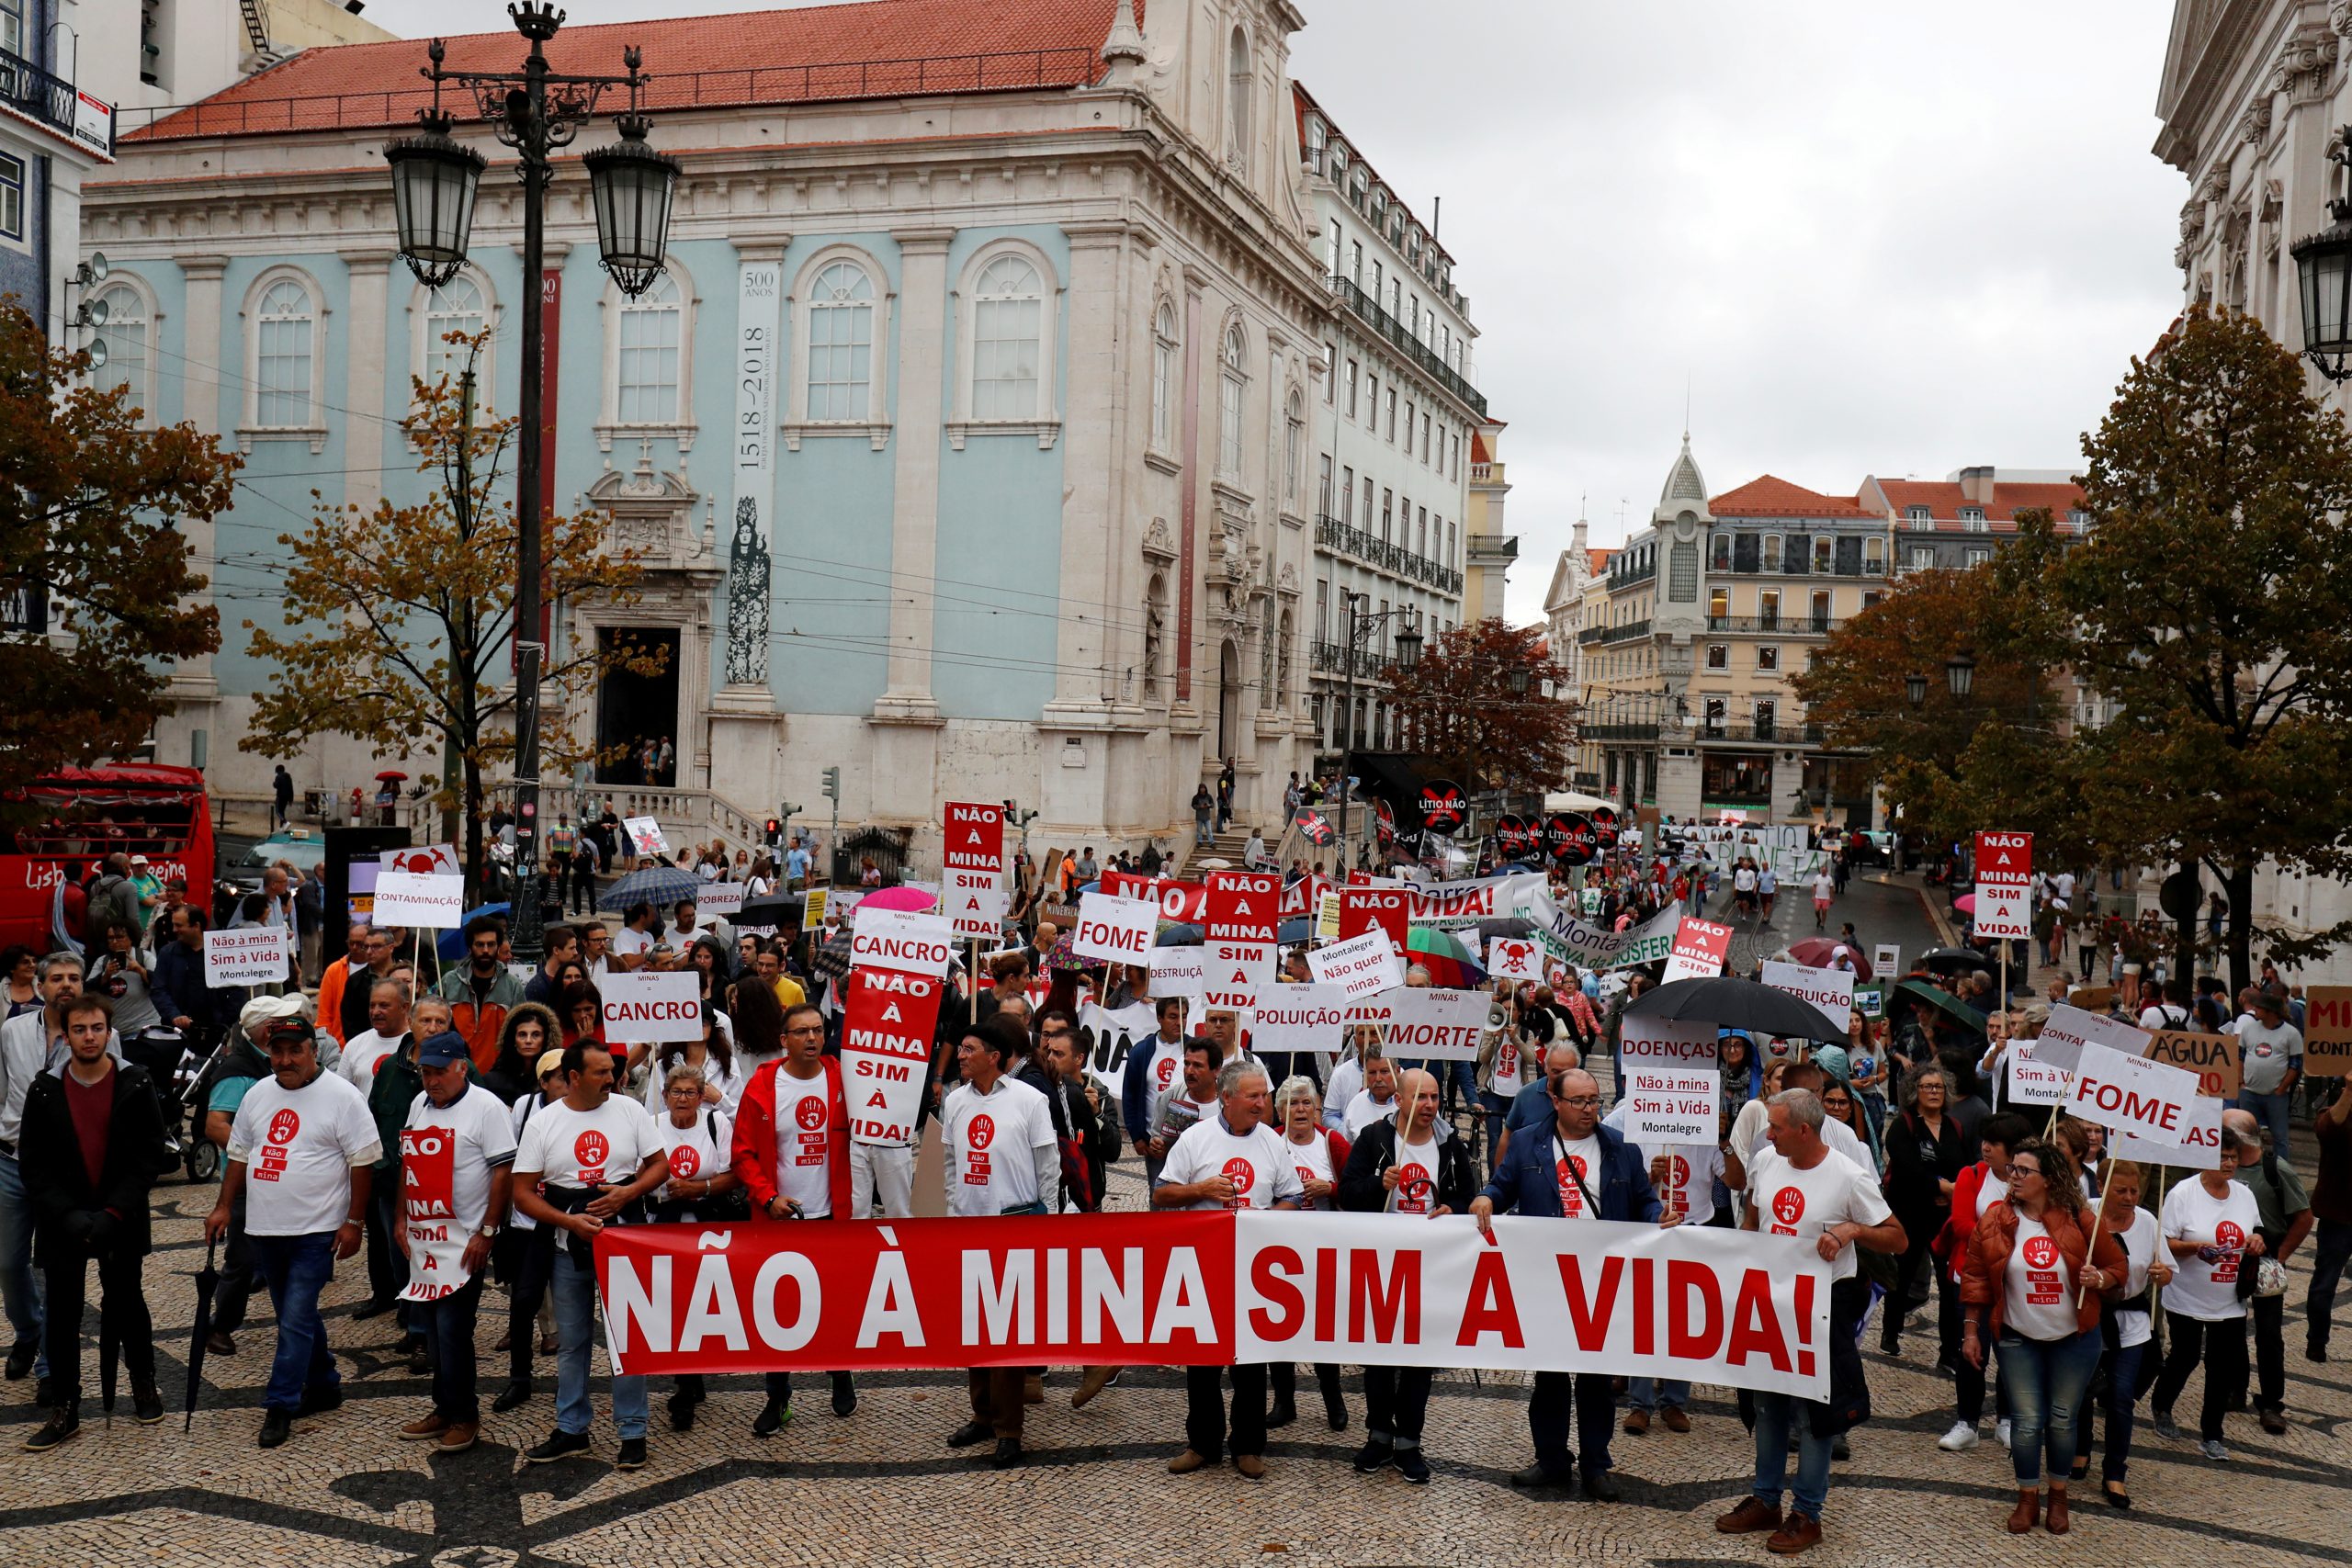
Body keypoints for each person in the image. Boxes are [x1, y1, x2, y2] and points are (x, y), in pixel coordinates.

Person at [1713, 1089, 1905, 1555]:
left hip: (1822, 1306)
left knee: (1813, 1412)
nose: (1768, 1134)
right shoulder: (1767, 1162)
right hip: (1769, 1301)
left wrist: (1853, 1230)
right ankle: (1765, 1500)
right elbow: (1755, 1218)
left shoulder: (1848, 1176)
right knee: (1766, 1405)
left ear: (1803, 1130)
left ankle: (1807, 1512)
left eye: (1775, 1127)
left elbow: (1897, 1238)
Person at [1471, 1066, 1663, 1500]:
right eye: (1579, 1101)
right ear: (1555, 1101)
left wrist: (1659, 1218)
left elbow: (1644, 1203)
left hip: (1600, 1281)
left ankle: (1597, 1464)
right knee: (1550, 1376)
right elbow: (1502, 1187)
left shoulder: (1621, 1150)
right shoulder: (1526, 1143)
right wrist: (1486, 1196)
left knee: (1596, 1380)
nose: (1589, 1109)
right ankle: (1552, 1457)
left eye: (1594, 1100)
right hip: (1547, 1279)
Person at [203, 1015, 379, 1448]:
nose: (284, 1059)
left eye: (294, 1051)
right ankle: (324, 1384)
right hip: (266, 1228)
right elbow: (240, 1153)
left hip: (316, 1230)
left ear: (312, 1052)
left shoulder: (343, 1097)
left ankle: (280, 1404)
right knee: (294, 1317)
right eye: (277, 1050)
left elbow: (363, 1160)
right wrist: (224, 1206)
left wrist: (354, 1222)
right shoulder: (258, 1094)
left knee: (296, 1317)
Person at [511, 1040, 668, 1470]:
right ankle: (572, 1427)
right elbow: (522, 1192)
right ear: (574, 1078)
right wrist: (569, 1223)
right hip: (567, 1247)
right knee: (572, 1341)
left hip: (624, 1243)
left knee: (626, 1339)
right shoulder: (545, 1123)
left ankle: (633, 1430)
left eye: (611, 1071)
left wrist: (628, 1193)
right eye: (600, 1072)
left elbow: (660, 1165)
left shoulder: (630, 1110)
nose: (610, 1079)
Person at [18, 995, 167, 1450]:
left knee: (127, 1303)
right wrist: (66, 1212)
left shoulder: (135, 1083)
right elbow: (34, 1162)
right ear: (65, 1035)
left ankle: (143, 1382)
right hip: (62, 1221)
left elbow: (149, 1156)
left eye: (96, 1028)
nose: (88, 1037)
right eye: (79, 1030)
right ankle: (66, 1406)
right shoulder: (44, 1089)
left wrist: (114, 1211)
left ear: (109, 1031)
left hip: (119, 1217)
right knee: (61, 1315)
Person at [1960, 1137, 2125, 1536]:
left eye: (2023, 1171)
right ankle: (2027, 1496)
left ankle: (2059, 1494)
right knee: (2028, 1421)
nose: (2013, 1177)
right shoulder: (1995, 1220)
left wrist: (2099, 1277)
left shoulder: (2082, 1220)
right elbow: (1976, 1277)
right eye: (2012, 1169)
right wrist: (1970, 1330)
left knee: (2063, 1420)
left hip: (2074, 1337)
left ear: (2048, 1180)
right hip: (2018, 1336)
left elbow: (2118, 1268)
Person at [1156, 1057, 1302, 1479]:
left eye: (1265, 1096)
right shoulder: (1195, 1139)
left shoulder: (1273, 1143)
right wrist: (1200, 1190)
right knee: (1202, 1360)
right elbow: (1162, 1195)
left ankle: (1248, 1446)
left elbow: (1292, 1195)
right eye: (1253, 1096)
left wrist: (1270, 1216)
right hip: (1204, 1267)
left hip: (1256, 1271)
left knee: (1251, 1362)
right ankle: (1202, 1443)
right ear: (1226, 1098)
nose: (1262, 1103)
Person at [1338, 1067, 1474, 1483]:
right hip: (1381, 1264)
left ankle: (1409, 1441)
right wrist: (1380, 1184)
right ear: (1400, 1100)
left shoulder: (1450, 1145)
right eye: (1422, 1098)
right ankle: (1379, 1435)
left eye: (1435, 1098)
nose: (1430, 1106)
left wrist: (1454, 1207)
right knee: (1380, 1356)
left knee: (1420, 1357)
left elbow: (1469, 1195)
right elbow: (1347, 1193)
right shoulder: (1375, 1140)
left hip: (1431, 1267)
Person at [730, 1001, 856, 1435]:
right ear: (783, 1041)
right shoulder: (763, 1087)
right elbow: (742, 1154)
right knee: (777, 1309)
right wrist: (768, 1199)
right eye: (801, 1032)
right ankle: (777, 1396)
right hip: (779, 1219)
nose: (811, 1039)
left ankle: (840, 1373)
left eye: (818, 1030)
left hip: (830, 1215)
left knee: (834, 1302)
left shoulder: (843, 1079)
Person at [942, 1016, 1060, 1467]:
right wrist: (954, 1212)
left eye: (970, 1049)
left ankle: (1010, 1429)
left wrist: (1044, 1219)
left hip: (1016, 1224)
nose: (962, 1056)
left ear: (995, 1057)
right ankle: (983, 1415)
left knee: (1009, 1330)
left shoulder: (1029, 1100)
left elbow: (1047, 1165)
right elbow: (952, 1163)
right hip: (970, 1227)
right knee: (975, 1328)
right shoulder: (955, 1101)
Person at [392, 1030, 515, 1454]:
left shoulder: (487, 1109)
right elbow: (410, 1163)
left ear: (462, 1067)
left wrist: (488, 1231)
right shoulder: (418, 1105)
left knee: (453, 1328)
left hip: (466, 1239)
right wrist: (401, 1217)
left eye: (440, 1071)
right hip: (427, 1240)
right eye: (426, 1072)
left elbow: (504, 1173)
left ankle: (465, 1413)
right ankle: (444, 1406)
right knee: (432, 1326)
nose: (432, 1080)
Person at [2150, 1129, 2263, 1460]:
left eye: (2233, 1157)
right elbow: (2165, 1243)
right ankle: (2162, 1405)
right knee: (2184, 1357)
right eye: (2222, 1157)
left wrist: (2257, 1241)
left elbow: (2254, 1233)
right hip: (2186, 1295)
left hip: (2229, 1299)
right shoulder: (2183, 1194)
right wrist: (2196, 1247)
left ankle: (2212, 1432)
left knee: (2221, 1366)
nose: (2229, 1163)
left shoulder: (2244, 1195)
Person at [1244, 1076, 1349, 1432]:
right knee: (1278, 1324)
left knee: (1322, 1328)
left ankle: (1333, 1399)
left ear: (1316, 1108)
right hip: (1278, 1251)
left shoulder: (1331, 1142)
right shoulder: (1271, 1140)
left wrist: (1331, 1189)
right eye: (1292, 1103)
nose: (1300, 1110)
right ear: (1281, 1110)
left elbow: (1357, 1190)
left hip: (1322, 1247)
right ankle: (1284, 1401)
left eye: (1306, 1103)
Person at [2071, 1157, 2169, 1508]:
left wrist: (2161, 1274)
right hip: (2090, 1316)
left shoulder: (2148, 1222)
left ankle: (2115, 1472)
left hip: (2132, 1324)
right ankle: (2081, 1449)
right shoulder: (2085, 1213)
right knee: (2080, 1389)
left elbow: (2167, 1270)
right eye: (2122, 1190)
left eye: (2135, 1191)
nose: (2130, 1198)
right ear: (2101, 1187)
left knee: (2121, 1397)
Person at [1935, 1111, 2030, 1450]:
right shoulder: (1972, 1175)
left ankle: (2006, 1418)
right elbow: (1960, 1223)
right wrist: (1997, 1241)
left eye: (1994, 1143)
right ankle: (1967, 1422)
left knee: (2012, 1352)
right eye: (1984, 1141)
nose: (1985, 1148)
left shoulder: (2029, 1181)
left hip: (2014, 1282)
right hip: (1973, 1278)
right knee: (1971, 1350)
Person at [2221, 1109, 2311, 1434]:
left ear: (2242, 1138)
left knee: (2269, 1334)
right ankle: (2235, 1389)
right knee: (2231, 1328)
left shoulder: (2276, 1170)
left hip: (2267, 1257)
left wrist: (2281, 1257)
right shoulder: (2224, 1167)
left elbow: (2304, 1217)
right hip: (2233, 1256)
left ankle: (2272, 1402)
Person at [1882, 1065, 1965, 1359]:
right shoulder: (1904, 1125)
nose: (1933, 1092)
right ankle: (1890, 1332)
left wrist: (1952, 1193)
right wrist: (1940, 1187)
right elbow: (1906, 1169)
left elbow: (1962, 1168)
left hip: (1943, 1218)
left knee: (1947, 1281)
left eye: (1938, 1087)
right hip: (1909, 1213)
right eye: (1927, 1086)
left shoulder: (1955, 1127)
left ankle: (1949, 1350)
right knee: (1902, 1275)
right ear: (1914, 1092)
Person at [435, 916, 526, 1074]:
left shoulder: (513, 986)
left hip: (498, 1075)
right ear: (470, 948)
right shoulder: (449, 982)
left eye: (491, 944)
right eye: (480, 944)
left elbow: (521, 1031)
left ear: (498, 947)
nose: (485, 950)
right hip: (454, 1073)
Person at [2310, 1081, 2352, 1362]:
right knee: (2325, 1282)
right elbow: (2329, 1127)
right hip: (2338, 1217)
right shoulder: (2332, 1117)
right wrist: (2350, 1089)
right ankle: (2317, 1340)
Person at [2233, 991, 2302, 1157]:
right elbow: (2240, 1055)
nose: (2254, 1009)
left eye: (2259, 1007)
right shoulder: (2249, 1029)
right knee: (2246, 1135)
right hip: (2249, 1091)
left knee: (2280, 1137)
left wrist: (2281, 1088)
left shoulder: (2291, 1034)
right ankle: (2248, 1165)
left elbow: (2295, 1065)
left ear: (2270, 1010)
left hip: (2275, 1095)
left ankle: (2281, 1171)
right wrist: (2240, 1080)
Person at [271, 764, 295, 829]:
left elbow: (277, 786)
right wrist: (291, 799)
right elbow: (291, 788)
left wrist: (274, 784)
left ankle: (285, 822)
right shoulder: (288, 777)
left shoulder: (278, 777)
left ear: (278, 771)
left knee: (278, 811)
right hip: (287, 797)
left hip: (280, 796)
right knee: (282, 811)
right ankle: (282, 826)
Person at [1192, 783, 1216, 847]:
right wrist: (1200, 806)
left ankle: (1211, 842)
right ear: (1199, 789)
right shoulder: (1196, 797)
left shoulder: (1209, 796)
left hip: (1207, 816)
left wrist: (1208, 805)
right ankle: (1200, 842)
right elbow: (1193, 806)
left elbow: (1213, 804)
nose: (1202, 790)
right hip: (1199, 816)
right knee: (1199, 830)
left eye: (1203, 788)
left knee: (1209, 830)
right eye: (1201, 788)